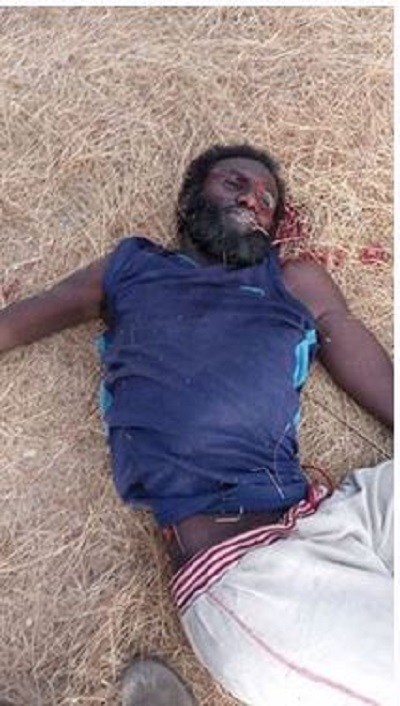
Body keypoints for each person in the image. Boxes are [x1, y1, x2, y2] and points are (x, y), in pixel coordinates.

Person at [0, 145, 393, 706]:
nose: (252, 200)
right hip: (250, 575)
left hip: (336, 517)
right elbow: (27, 319)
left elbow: (343, 334)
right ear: (189, 200)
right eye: (235, 183)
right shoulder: (131, 268)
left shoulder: (294, 280)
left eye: (267, 200)